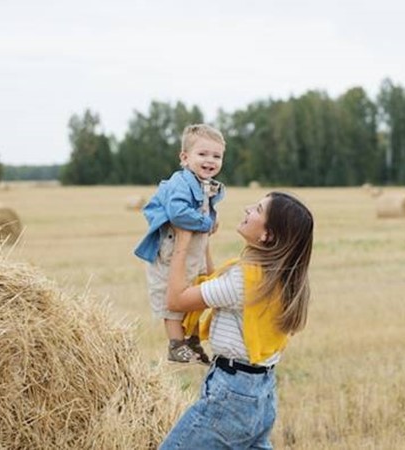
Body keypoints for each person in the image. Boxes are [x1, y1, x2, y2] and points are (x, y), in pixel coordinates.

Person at [159, 191, 314, 449]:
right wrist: (204, 241)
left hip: (232, 397)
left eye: (258, 210)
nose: (247, 209)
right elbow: (218, 284)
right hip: (260, 395)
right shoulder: (277, 278)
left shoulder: (244, 281)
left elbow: (176, 300)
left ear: (268, 235)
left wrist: (182, 242)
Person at [134, 123, 227, 364]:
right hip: (171, 251)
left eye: (216, 156)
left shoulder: (204, 185)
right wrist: (206, 224)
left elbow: (206, 213)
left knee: (195, 291)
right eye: (203, 154)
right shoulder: (180, 183)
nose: (210, 160)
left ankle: (193, 340)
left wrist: (210, 224)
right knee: (171, 294)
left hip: (192, 251)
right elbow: (177, 213)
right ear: (184, 158)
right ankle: (176, 343)